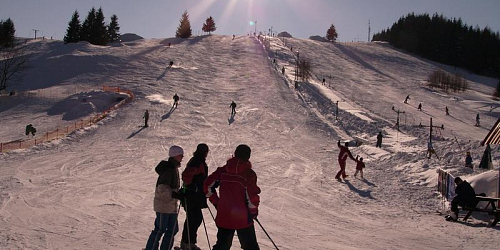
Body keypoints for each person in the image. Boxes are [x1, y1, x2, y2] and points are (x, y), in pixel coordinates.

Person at [203, 144, 260, 250]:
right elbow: (251, 196)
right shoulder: (249, 174)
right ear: (248, 157)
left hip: (224, 214)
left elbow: (207, 185)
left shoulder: (223, 170)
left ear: (235, 154)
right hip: (242, 216)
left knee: (222, 245)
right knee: (250, 246)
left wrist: (216, 202)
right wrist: (253, 212)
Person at [145, 146, 184, 250]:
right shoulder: (168, 169)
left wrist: (179, 193)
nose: (182, 157)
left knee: (173, 229)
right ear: (175, 155)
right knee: (160, 229)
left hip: (171, 205)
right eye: (181, 155)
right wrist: (175, 194)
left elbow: (171, 188)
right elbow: (162, 189)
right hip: (163, 205)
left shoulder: (174, 168)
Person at [179, 144, 210, 250]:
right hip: (191, 195)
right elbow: (186, 175)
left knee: (194, 218)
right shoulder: (197, 161)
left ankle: (188, 242)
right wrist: (192, 186)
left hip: (194, 195)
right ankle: (187, 243)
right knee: (194, 218)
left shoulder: (198, 160)